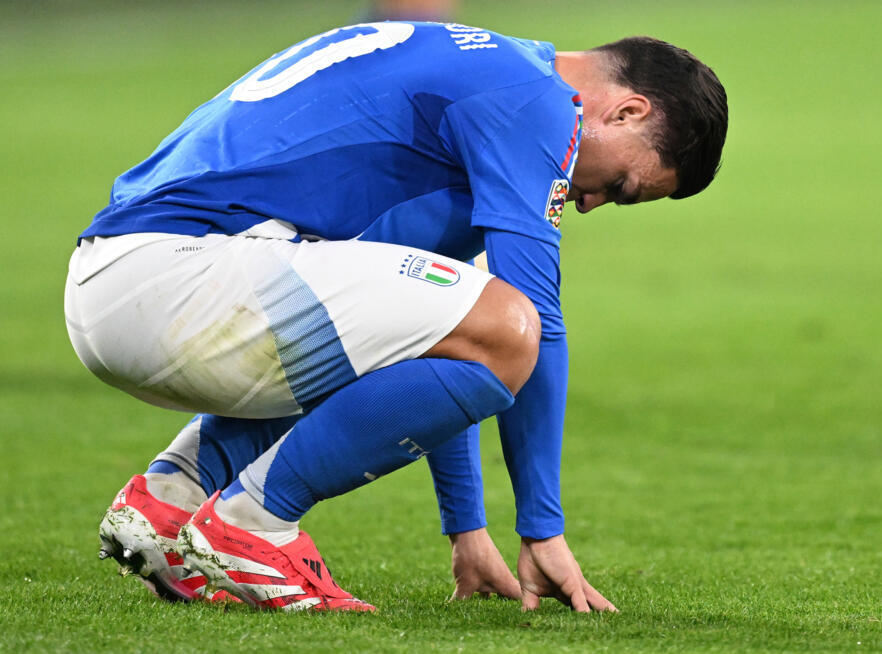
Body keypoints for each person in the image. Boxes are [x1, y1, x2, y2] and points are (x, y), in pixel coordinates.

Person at [65, 21, 727, 613]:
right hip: (183, 278)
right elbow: (532, 326)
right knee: (514, 324)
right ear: (628, 111)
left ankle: (172, 499)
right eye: (622, 188)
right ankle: (252, 526)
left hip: (125, 277)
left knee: (473, 316)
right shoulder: (535, 104)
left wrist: (467, 528)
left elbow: (432, 335)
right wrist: (541, 529)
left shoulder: (481, 64)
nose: (591, 203)